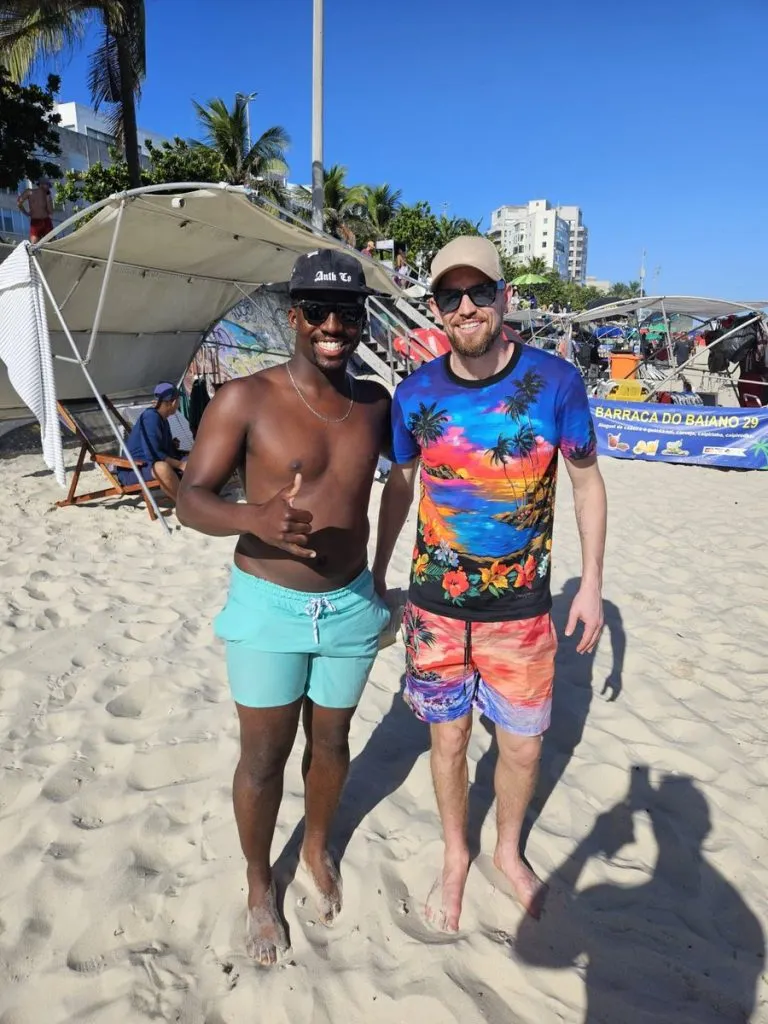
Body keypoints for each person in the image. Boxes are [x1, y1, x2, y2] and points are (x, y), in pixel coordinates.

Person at [373, 236, 607, 931]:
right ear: (437, 307)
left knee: (523, 746)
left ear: (504, 298)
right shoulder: (413, 394)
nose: (466, 306)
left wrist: (591, 584)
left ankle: (506, 851)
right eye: (451, 295)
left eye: (480, 293)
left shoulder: (557, 383)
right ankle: (455, 851)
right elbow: (401, 484)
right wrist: (378, 570)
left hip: (523, 611)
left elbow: (587, 483)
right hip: (435, 608)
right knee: (447, 743)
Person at [176, 249, 391, 965]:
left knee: (331, 744)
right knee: (264, 757)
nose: (334, 325)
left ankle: (319, 849)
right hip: (270, 605)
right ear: (294, 317)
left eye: (348, 312)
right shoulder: (246, 398)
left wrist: (387, 574)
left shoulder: (376, 404)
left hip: (351, 605)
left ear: (362, 319)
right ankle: (257, 884)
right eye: (318, 312)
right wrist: (253, 519)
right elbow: (190, 499)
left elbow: (413, 476)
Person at [119, 382, 187, 501]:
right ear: (173, 402)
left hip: (148, 465)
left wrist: (171, 444)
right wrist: (181, 465)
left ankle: (197, 496)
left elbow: (156, 446)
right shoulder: (151, 417)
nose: (178, 405)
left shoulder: (162, 418)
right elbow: (155, 455)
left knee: (196, 458)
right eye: (178, 401)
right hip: (134, 469)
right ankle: (183, 504)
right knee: (162, 468)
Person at [17, 178, 54, 243]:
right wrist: (25, 213)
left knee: (52, 244)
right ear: (41, 185)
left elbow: (50, 211)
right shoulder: (29, 192)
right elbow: (19, 202)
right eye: (47, 185)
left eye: (49, 185)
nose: (48, 187)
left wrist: (48, 198)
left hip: (46, 221)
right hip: (36, 222)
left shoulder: (47, 195)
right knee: (34, 245)